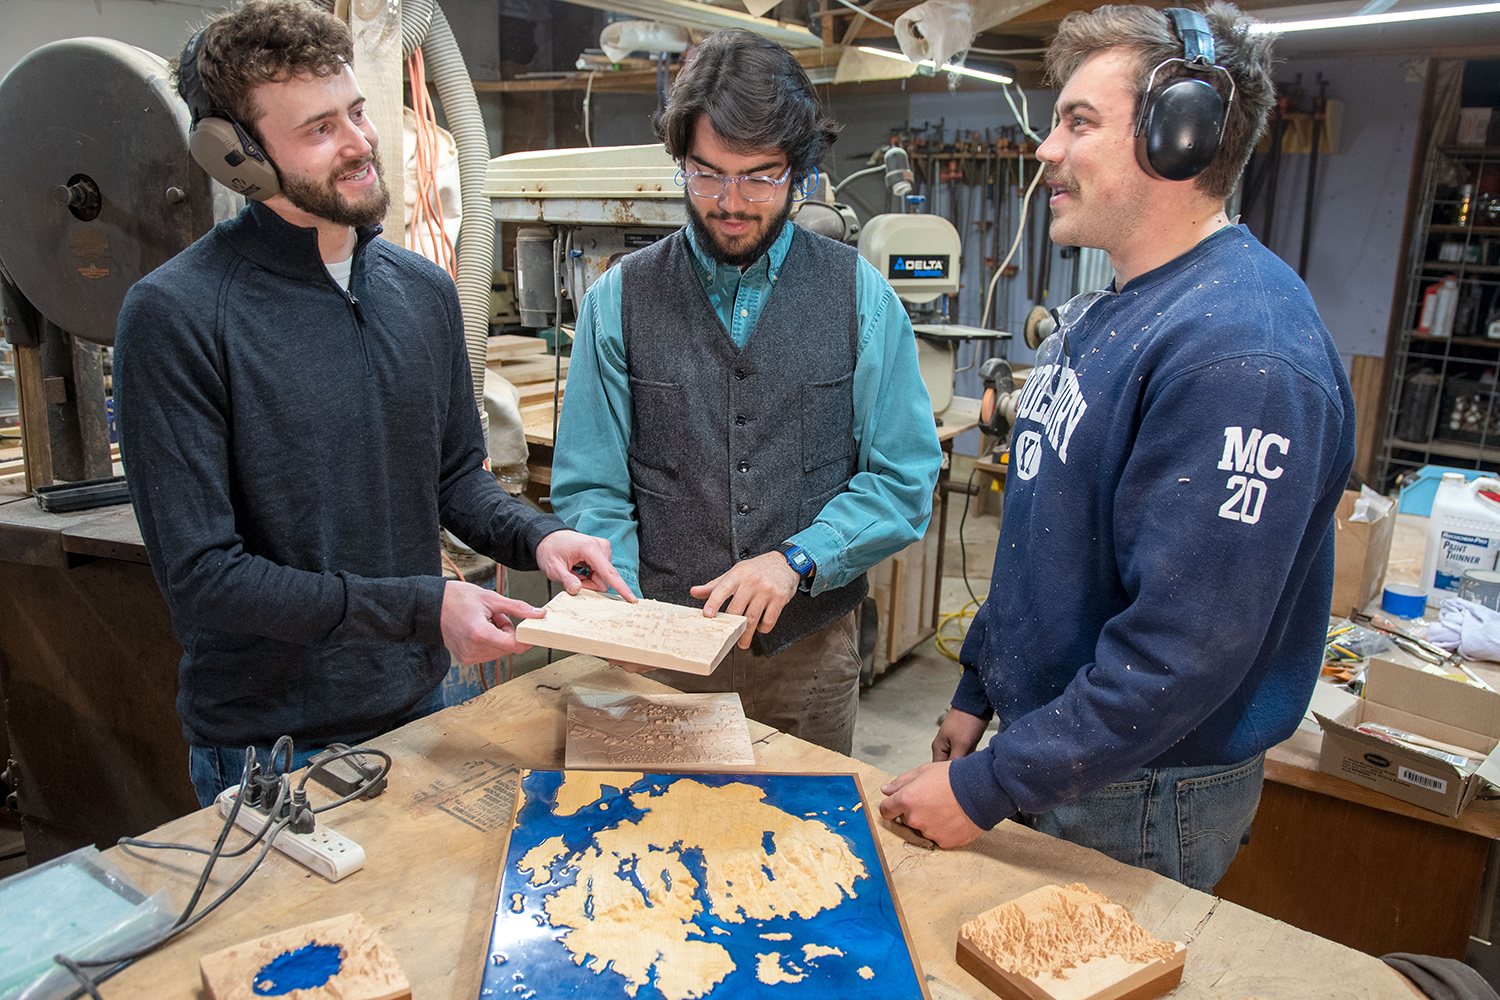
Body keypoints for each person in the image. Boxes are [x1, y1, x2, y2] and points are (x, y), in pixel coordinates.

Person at [880, 2, 1355, 891]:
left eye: (1078, 121)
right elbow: (1043, 536)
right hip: (1064, 749)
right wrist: (979, 691)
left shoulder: (1244, 353)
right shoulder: (1113, 306)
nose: (1045, 149)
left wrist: (988, 786)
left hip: (1139, 790)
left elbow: (1183, 650)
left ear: (1183, 135)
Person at [115, 0, 633, 807]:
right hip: (273, 744)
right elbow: (204, 577)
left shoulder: (419, 292)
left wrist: (541, 537)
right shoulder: (176, 316)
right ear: (238, 158)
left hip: (423, 705)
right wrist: (425, 605)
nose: (360, 144)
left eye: (357, 112)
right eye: (318, 130)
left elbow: (455, 477)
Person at [550, 29, 943, 756]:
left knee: (803, 849)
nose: (731, 203)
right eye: (708, 175)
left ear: (800, 173)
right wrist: (623, 610)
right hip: (657, 657)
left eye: (760, 177)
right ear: (681, 163)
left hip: (807, 661)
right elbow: (593, 488)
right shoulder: (619, 300)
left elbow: (904, 478)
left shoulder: (860, 296)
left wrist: (799, 559)